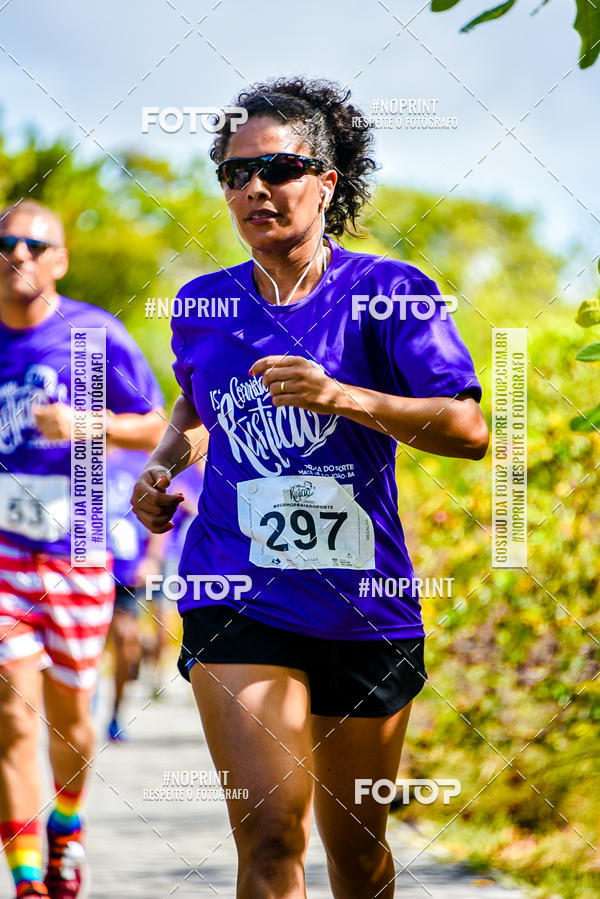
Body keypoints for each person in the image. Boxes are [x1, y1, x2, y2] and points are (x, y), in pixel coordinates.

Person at [131, 76, 489, 899]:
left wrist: (343, 395)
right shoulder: (201, 303)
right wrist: (163, 464)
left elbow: (468, 432)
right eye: (233, 173)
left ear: (326, 181)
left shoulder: (391, 292)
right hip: (238, 592)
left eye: (280, 167)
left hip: (366, 605)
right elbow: (198, 400)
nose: (254, 187)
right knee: (268, 839)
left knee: (357, 858)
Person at [0, 200, 164, 899]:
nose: (21, 256)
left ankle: (67, 822)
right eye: (7, 243)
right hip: (3, 552)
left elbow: (159, 422)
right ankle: (31, 882)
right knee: (12, 716)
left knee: (70, 719)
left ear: (60, 260)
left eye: (37, 245)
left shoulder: (94, 336)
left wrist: (84, 423)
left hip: (80, 548)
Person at [105, 447, 156, 740]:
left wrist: (151, 560)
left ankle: (114, 713)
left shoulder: (139, 461)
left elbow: (161, 513)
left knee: (127, 640)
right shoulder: (75, 456)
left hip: (126, 570)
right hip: (83, 567)